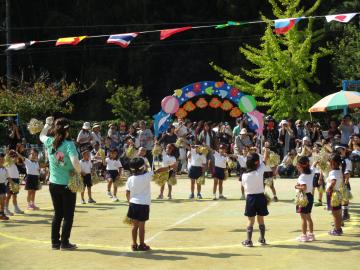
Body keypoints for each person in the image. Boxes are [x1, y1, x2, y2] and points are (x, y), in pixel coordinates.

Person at [40, 117, 81, 250]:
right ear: (67, 130)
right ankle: (64, 243)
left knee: (58, 214)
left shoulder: (50, 141)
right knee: (68, 215)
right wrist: (79, 171)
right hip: (68, 184)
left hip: (53, 184)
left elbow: (41, 135)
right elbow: (75, 161)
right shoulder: (69, 144)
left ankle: (55, 242)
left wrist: (47, 124)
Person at [126, 158, 175, 251]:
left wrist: (130, 203)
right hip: (143, 204)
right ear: (143, 167)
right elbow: (159, 170)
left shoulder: (130, 179)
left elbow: (127, 193)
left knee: (134, 226)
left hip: (133, 204)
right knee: (142, 227)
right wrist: (170, 167)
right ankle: (141, 244)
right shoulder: (146, 176)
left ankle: (134, 244)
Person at [241, 153, 268, 247]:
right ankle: (262, 239)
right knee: (261, 219)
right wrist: (266, 150)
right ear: (257, 162)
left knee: (250, 220)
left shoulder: (244, 175)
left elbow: (244, 186)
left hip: (250, 198)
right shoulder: (259, 171)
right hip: (261, 197)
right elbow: (265, 160)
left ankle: (249, 241)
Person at [295, 156, 315, 242]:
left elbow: (304, 187)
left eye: (298, 165)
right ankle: (311, 234)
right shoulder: (311, 172)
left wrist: (296, 186)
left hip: (304, 197)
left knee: (303, 218)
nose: (297, 166)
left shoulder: (302, 177)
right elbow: (313, 167)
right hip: (310, 196)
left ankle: (304, 236)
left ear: (301, 166)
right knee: (308, 217)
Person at [326, 153, 343, 236]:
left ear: (334, 163)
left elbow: (333, 181)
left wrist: (329, 188)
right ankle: (339, 228)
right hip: (338, 192)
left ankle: (337, 230)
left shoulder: (333, 172)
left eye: (329, 162)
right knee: (338, 212)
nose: (328, 163)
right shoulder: (339, 170)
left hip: (333, 194)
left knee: (335, 213)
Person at [4, 150, 24, 216]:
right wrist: (9, 153)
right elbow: (7, 157)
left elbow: (19, 159)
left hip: (16, 180)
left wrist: (15, 153)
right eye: (14, 157)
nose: (16, 158)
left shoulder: (14, 164)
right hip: (10, 181)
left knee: (15, 195)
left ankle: (16, 208)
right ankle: (5, 209)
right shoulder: (7, 163)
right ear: (10, 157)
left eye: (15, 157)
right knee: (9, 195)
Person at [335, 145, 352, 221]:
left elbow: (347, 174)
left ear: (344, 150)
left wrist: (345, 184)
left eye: (339, 149)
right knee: (339, 199)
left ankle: (345, 214)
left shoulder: (347, 161)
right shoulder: (338, 159)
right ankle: (342, 215)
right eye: (337, 150)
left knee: (344, 198)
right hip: (338, 182)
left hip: (343, 182)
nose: (338, 151)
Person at [0, 154, 9, 220]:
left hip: (2, 185)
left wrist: (13, 183)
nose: (1, 160)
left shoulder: (4, 169)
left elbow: (8, 177)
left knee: (3, 199)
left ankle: (2, 213)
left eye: (3, 159)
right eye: (0, 159)